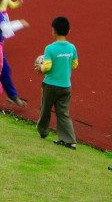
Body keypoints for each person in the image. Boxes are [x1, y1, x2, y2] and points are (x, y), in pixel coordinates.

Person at [35, 16, 79, 149]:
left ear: (53, 30)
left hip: (51, 85)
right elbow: (75, 65)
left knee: (45, 109)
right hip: (66, 86)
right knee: (63, 112)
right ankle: (70, 140)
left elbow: (47, 67)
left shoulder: (50, 48)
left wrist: (40, 68)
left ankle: (43, 130)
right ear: (69, 31)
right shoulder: (72, 48)